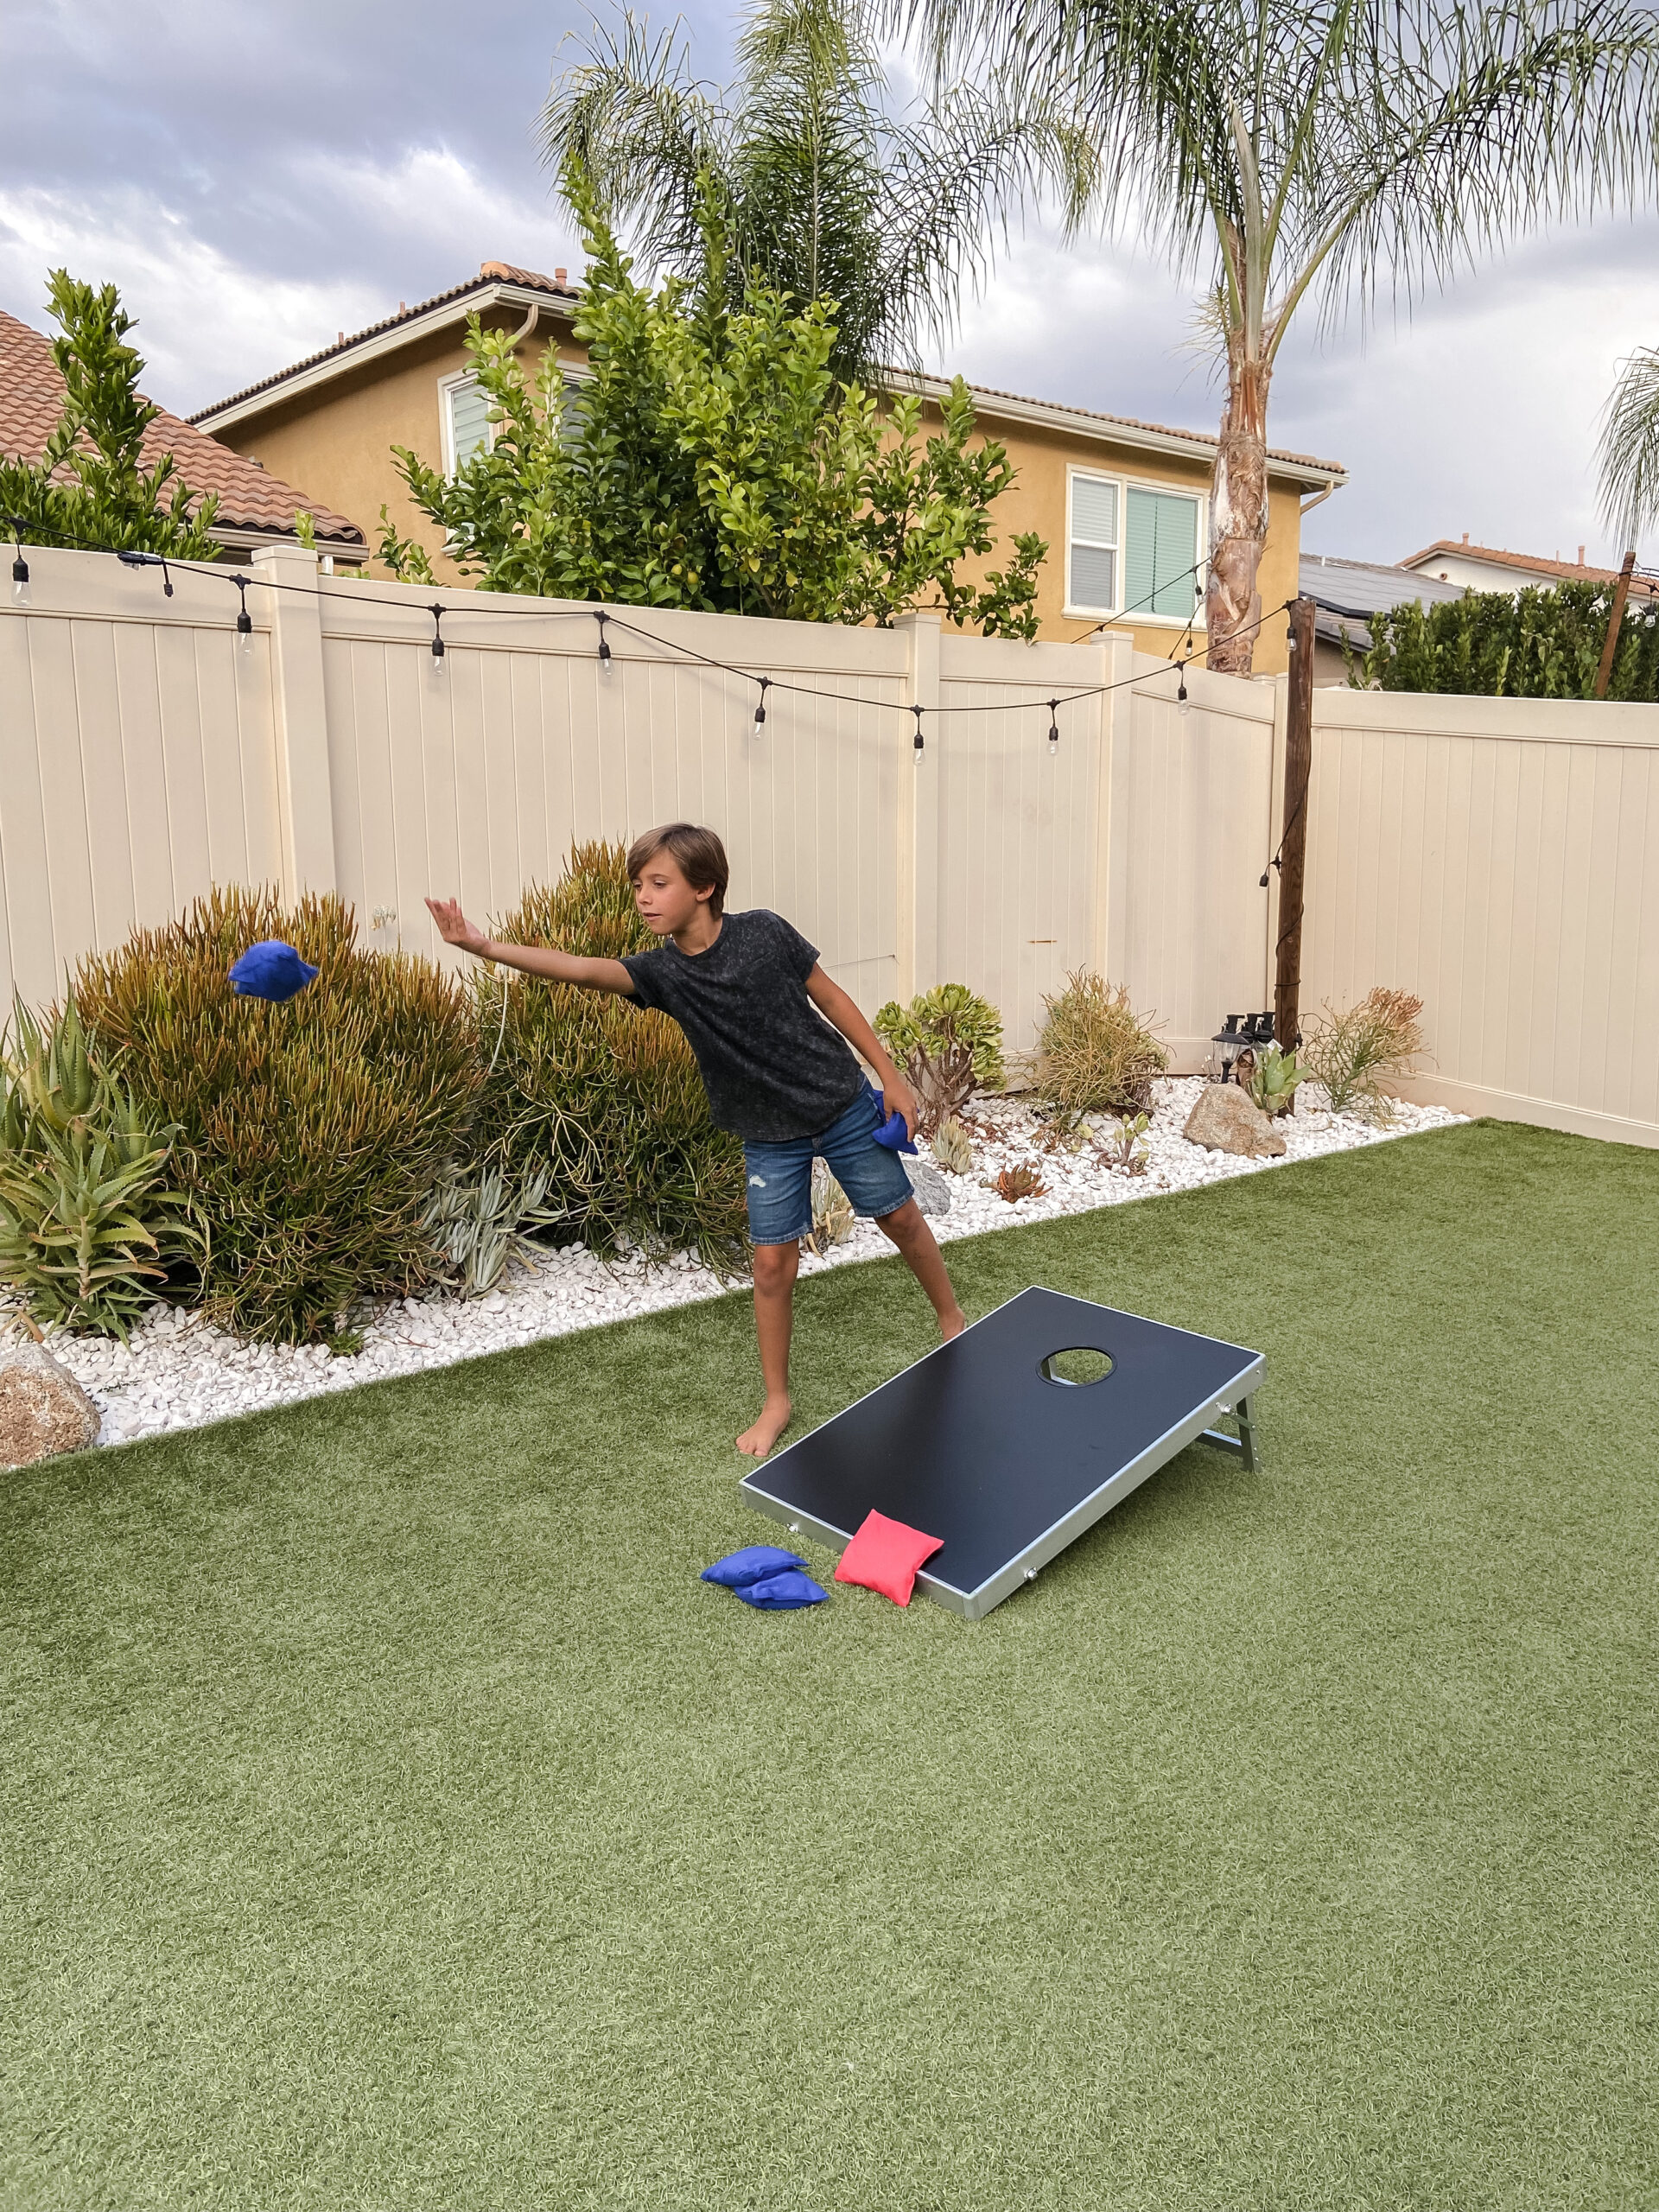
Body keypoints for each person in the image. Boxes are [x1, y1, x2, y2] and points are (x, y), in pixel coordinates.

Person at [426, 823, 965, 1458]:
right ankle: (777, 1401)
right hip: (768, 1135)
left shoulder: (764, 932)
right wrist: (481, 945)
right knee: (771, 1265)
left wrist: (891, 1077)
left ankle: (953, 1323)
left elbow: (833, 1000)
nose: (644, 898)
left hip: (839, 1105)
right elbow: (581, 970)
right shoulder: (663, 974)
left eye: (659, 884)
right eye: (637, 886)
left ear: (705, 887)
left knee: (900, 1218)